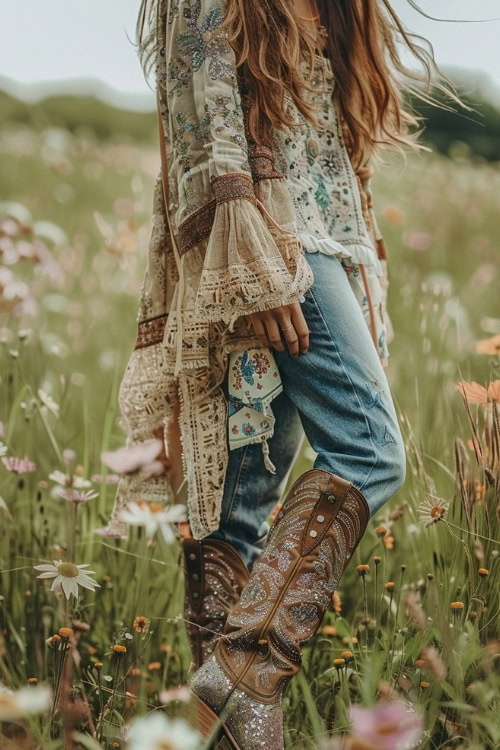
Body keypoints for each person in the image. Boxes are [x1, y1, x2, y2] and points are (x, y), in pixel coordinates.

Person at [106, 0, 460, 746]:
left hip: (322, 233)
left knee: (241, 503)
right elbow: (198, 96)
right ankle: (241, 673)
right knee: (370, 450)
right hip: (269, 235)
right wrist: (248, 247)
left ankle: (231, 731)